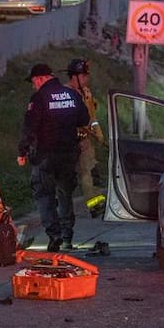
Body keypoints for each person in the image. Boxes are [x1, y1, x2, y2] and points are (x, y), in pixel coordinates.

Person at [18, 63, 89, 252]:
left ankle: (54, 235)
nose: (34, 86)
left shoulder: (39, 98)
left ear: (41, 78)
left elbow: (29, 127)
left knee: (44, 195)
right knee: (65, 194)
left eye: (34, 81)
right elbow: (84, 120)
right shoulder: (72, 95)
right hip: (68, 154)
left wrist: (22, 151)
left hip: (44, 155)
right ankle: (67, 235)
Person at [65, 58, 106, 218]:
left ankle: (96, 204)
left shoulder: (87, 93)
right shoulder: (65, 94)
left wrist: (97, 130)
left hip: (85, 140)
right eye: (83, 76)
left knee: (90, 171)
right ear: (74, 76)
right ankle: (66, 207)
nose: (86, 79)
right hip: (70, 141)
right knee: (75, 175)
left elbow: (92, 116)